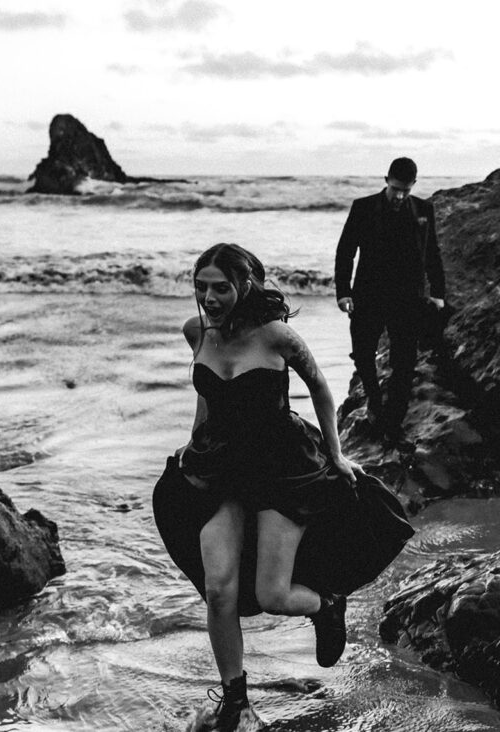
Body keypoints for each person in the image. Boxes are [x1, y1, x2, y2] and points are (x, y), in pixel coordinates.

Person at [175, 243, 360, 730]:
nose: (209, 298)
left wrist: (336, 455)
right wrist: (193, 443)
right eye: (201, 287)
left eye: (220, 288)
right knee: (219, 591)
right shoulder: (196, 332)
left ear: (245, 285)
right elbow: (207, 394)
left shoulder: (277, 336)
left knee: (273, 594)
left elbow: (320, 385)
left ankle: (327, 605)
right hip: (222, 470)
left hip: (281, 467)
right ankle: (236, 700)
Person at [335, 157, 446, 440]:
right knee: (362, 352)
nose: (399, 195)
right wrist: (343, 292)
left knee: (404, 361)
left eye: (405, 190)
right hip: (367, 294)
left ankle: (393, 420)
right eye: (395, 188)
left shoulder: (423, 210)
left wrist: (437, 293)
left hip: (407, 297)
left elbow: (432, 252)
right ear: (386, 180)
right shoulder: (363, 207)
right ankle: (373, 399)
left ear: (413, 186)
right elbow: (345, 251)